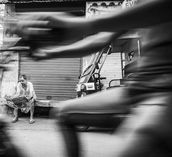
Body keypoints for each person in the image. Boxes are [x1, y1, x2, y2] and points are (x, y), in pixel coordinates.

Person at [11, 0, 172, 157]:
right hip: (138, 86)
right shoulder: (130, 3)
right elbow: (99, 40)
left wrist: (82, 24)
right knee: (62, 112)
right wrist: (51, 53)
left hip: (164, 89)